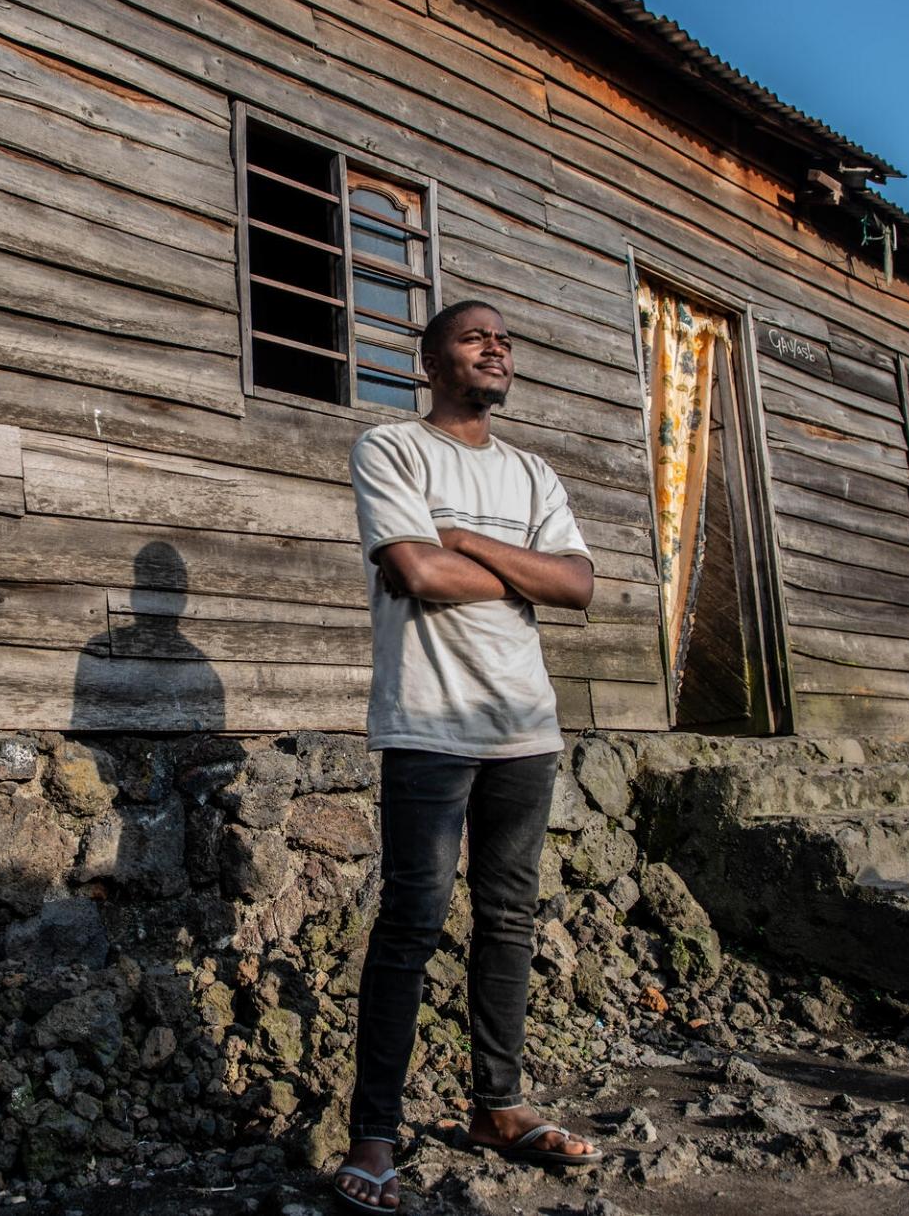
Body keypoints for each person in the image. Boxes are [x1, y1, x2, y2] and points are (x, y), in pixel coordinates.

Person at [332, 301, 600, 1213]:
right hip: (428, 723)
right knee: (411, 921)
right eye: (475, 336)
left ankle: (499, 1107)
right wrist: (520, 567)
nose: (498, 346)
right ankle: (374, 1135)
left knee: (510, 919)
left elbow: (578, 584)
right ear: (432, 360)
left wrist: (472, 542)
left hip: (525, 726)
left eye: (506, 338)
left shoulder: (532, 475)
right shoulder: (393, 449)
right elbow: (415, 573)